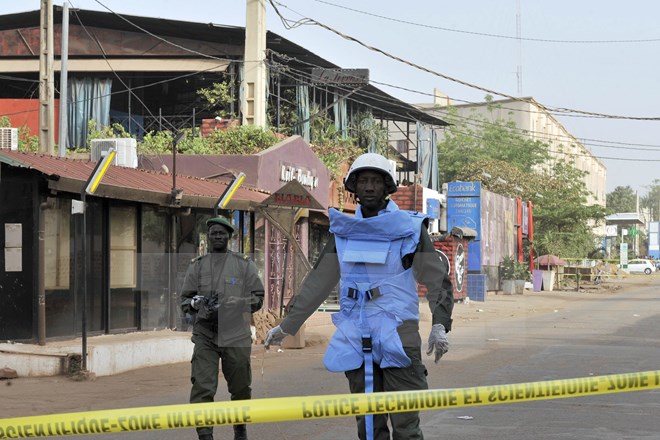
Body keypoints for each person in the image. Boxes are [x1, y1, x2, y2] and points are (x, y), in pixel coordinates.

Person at [265, 153, 454, 440]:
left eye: (375, 181)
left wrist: (440, 324)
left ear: (387, 186)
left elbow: (436, 279)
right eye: (362, 181)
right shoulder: (344, 231)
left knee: (405, 425)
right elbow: (318, 281)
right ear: (353, 187)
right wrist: (288, 325)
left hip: (399, 332)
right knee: (367, 426)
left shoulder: (410, 229)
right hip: (356, 333)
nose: (368, 187)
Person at [180, 216, 265, 440]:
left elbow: (258, 297)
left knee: (240, 388)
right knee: (202, 386)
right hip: (206, 335)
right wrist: (194, 304)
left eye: (221, 233)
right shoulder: (197, 266)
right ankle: (205, 435)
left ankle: (240, 429)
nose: (217, 236)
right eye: (213, 233)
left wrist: (236, 304)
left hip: (236, 333)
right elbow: (184, 300)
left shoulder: (244, 264)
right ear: (207, 237)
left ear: (229, 236)